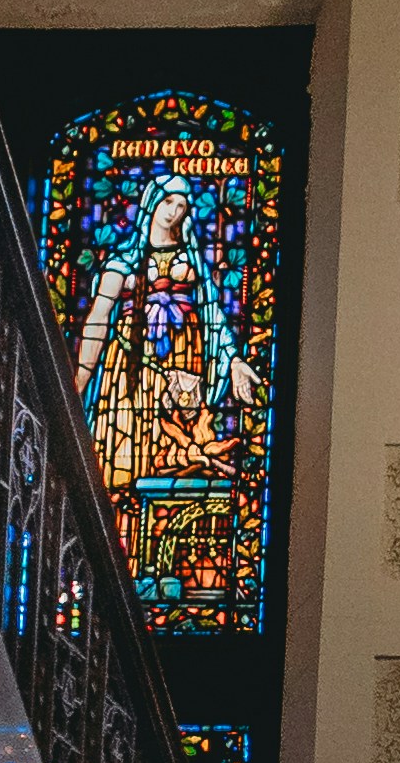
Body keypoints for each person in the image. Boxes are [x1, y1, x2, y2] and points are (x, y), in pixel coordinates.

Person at [66, 171, 266, 597]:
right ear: (151, 203)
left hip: (182, 372)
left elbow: (213, 315)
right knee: (123, 465)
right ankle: (113, 571)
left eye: (182, 206)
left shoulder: (193, 261)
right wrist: (80, 376)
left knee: (172, 463)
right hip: (130, 373)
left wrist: (232, 362)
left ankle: (160, 571)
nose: (174, 212)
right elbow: (98, 321)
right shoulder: (120, 262)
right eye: (168, 202)